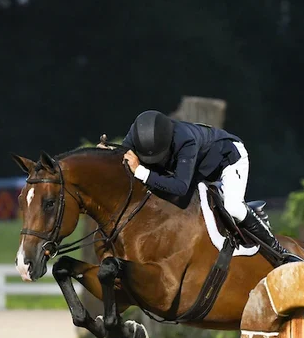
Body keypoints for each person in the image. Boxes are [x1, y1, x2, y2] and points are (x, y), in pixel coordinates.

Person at [111, 110, 288, 259]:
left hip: (228, 161)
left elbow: (180, 187)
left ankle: (279, 251)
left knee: (232, 207)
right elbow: (122, 155)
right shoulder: (139, 135)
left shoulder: (186, 140)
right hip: (199, 171)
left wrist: (141, 171)